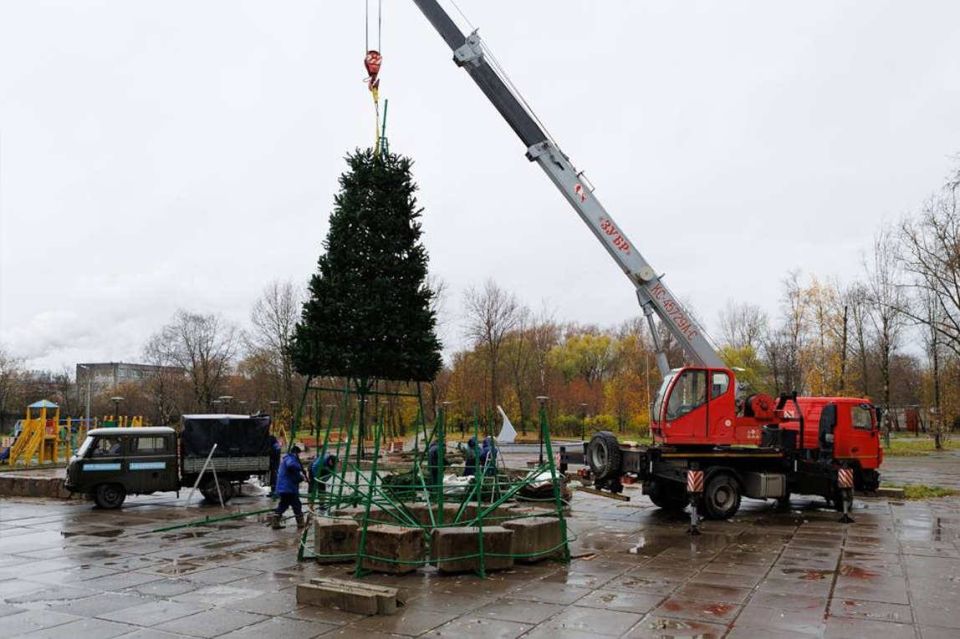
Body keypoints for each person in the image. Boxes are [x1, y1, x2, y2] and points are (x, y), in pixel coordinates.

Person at [270, 444, 308, 530]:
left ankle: (275, 522)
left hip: (285, 487)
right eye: (299, 454)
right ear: (296, 453)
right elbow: (291, 466)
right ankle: (301, 523)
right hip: (288, 488)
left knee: (283, 504)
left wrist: (302, 478)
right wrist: (300, 468)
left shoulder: (287, 459)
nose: (299, 456)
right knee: (296, 504)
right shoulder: (290, 458)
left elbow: (294, 475)